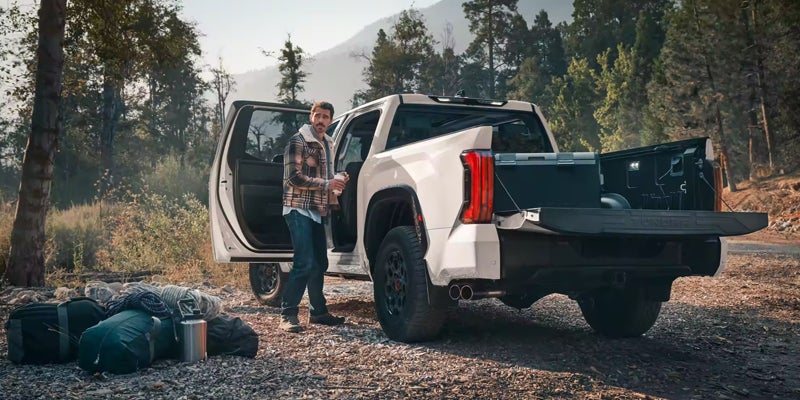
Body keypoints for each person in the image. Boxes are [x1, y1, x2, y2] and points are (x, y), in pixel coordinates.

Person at [279, 101, 349, 333]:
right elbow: (293, 178)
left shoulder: (328, 143)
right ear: (311, 117)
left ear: (330, 120)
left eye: (325, 117)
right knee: (304, 262)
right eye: (317, 116)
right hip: (297, 207)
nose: (321, 121)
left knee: (320, 263)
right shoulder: (298, 141)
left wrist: (338, 179)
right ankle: (287, 315)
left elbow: (326, 175)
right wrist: (327, 184)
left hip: (318, 209)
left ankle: (318, 312)